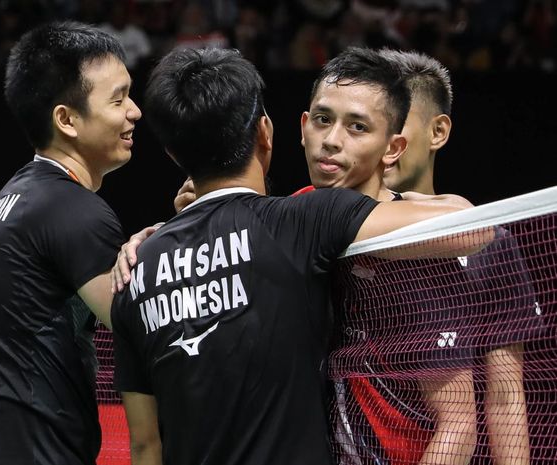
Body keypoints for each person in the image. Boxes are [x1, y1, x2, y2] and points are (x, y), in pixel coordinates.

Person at [110, 46, 475, 465]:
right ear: (295, 128)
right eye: (323, 119)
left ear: (392, 148)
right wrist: (174, 231)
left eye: (357, 126)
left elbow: (458, 421)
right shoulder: (298, 218)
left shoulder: (414, 251)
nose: (332, 141)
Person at [0, 21, 141, 465]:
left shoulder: (14, 200)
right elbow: (148, 326)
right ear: (67, 119)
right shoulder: (71, 209)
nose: (135, 111)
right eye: (118, 98)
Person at [380, 48, 538, 465]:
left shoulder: (492, 244)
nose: (384, 142)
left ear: (438, 131)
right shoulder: (335, 230)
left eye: (396, 124)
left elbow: (505, 398)